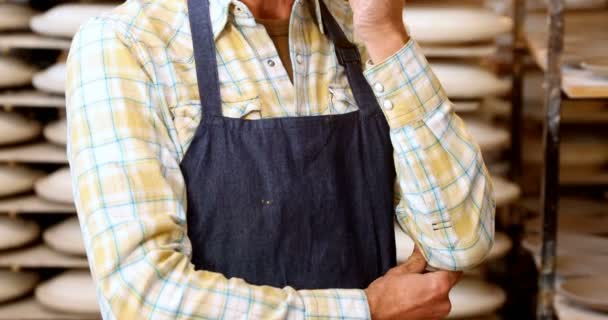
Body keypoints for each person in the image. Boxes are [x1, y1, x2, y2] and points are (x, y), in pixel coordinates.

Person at [65, 0, 496, 319]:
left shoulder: (358, 29)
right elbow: (141, 297)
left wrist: (385, 33)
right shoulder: (128, 44)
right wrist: (363, 311)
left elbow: (461, 243)